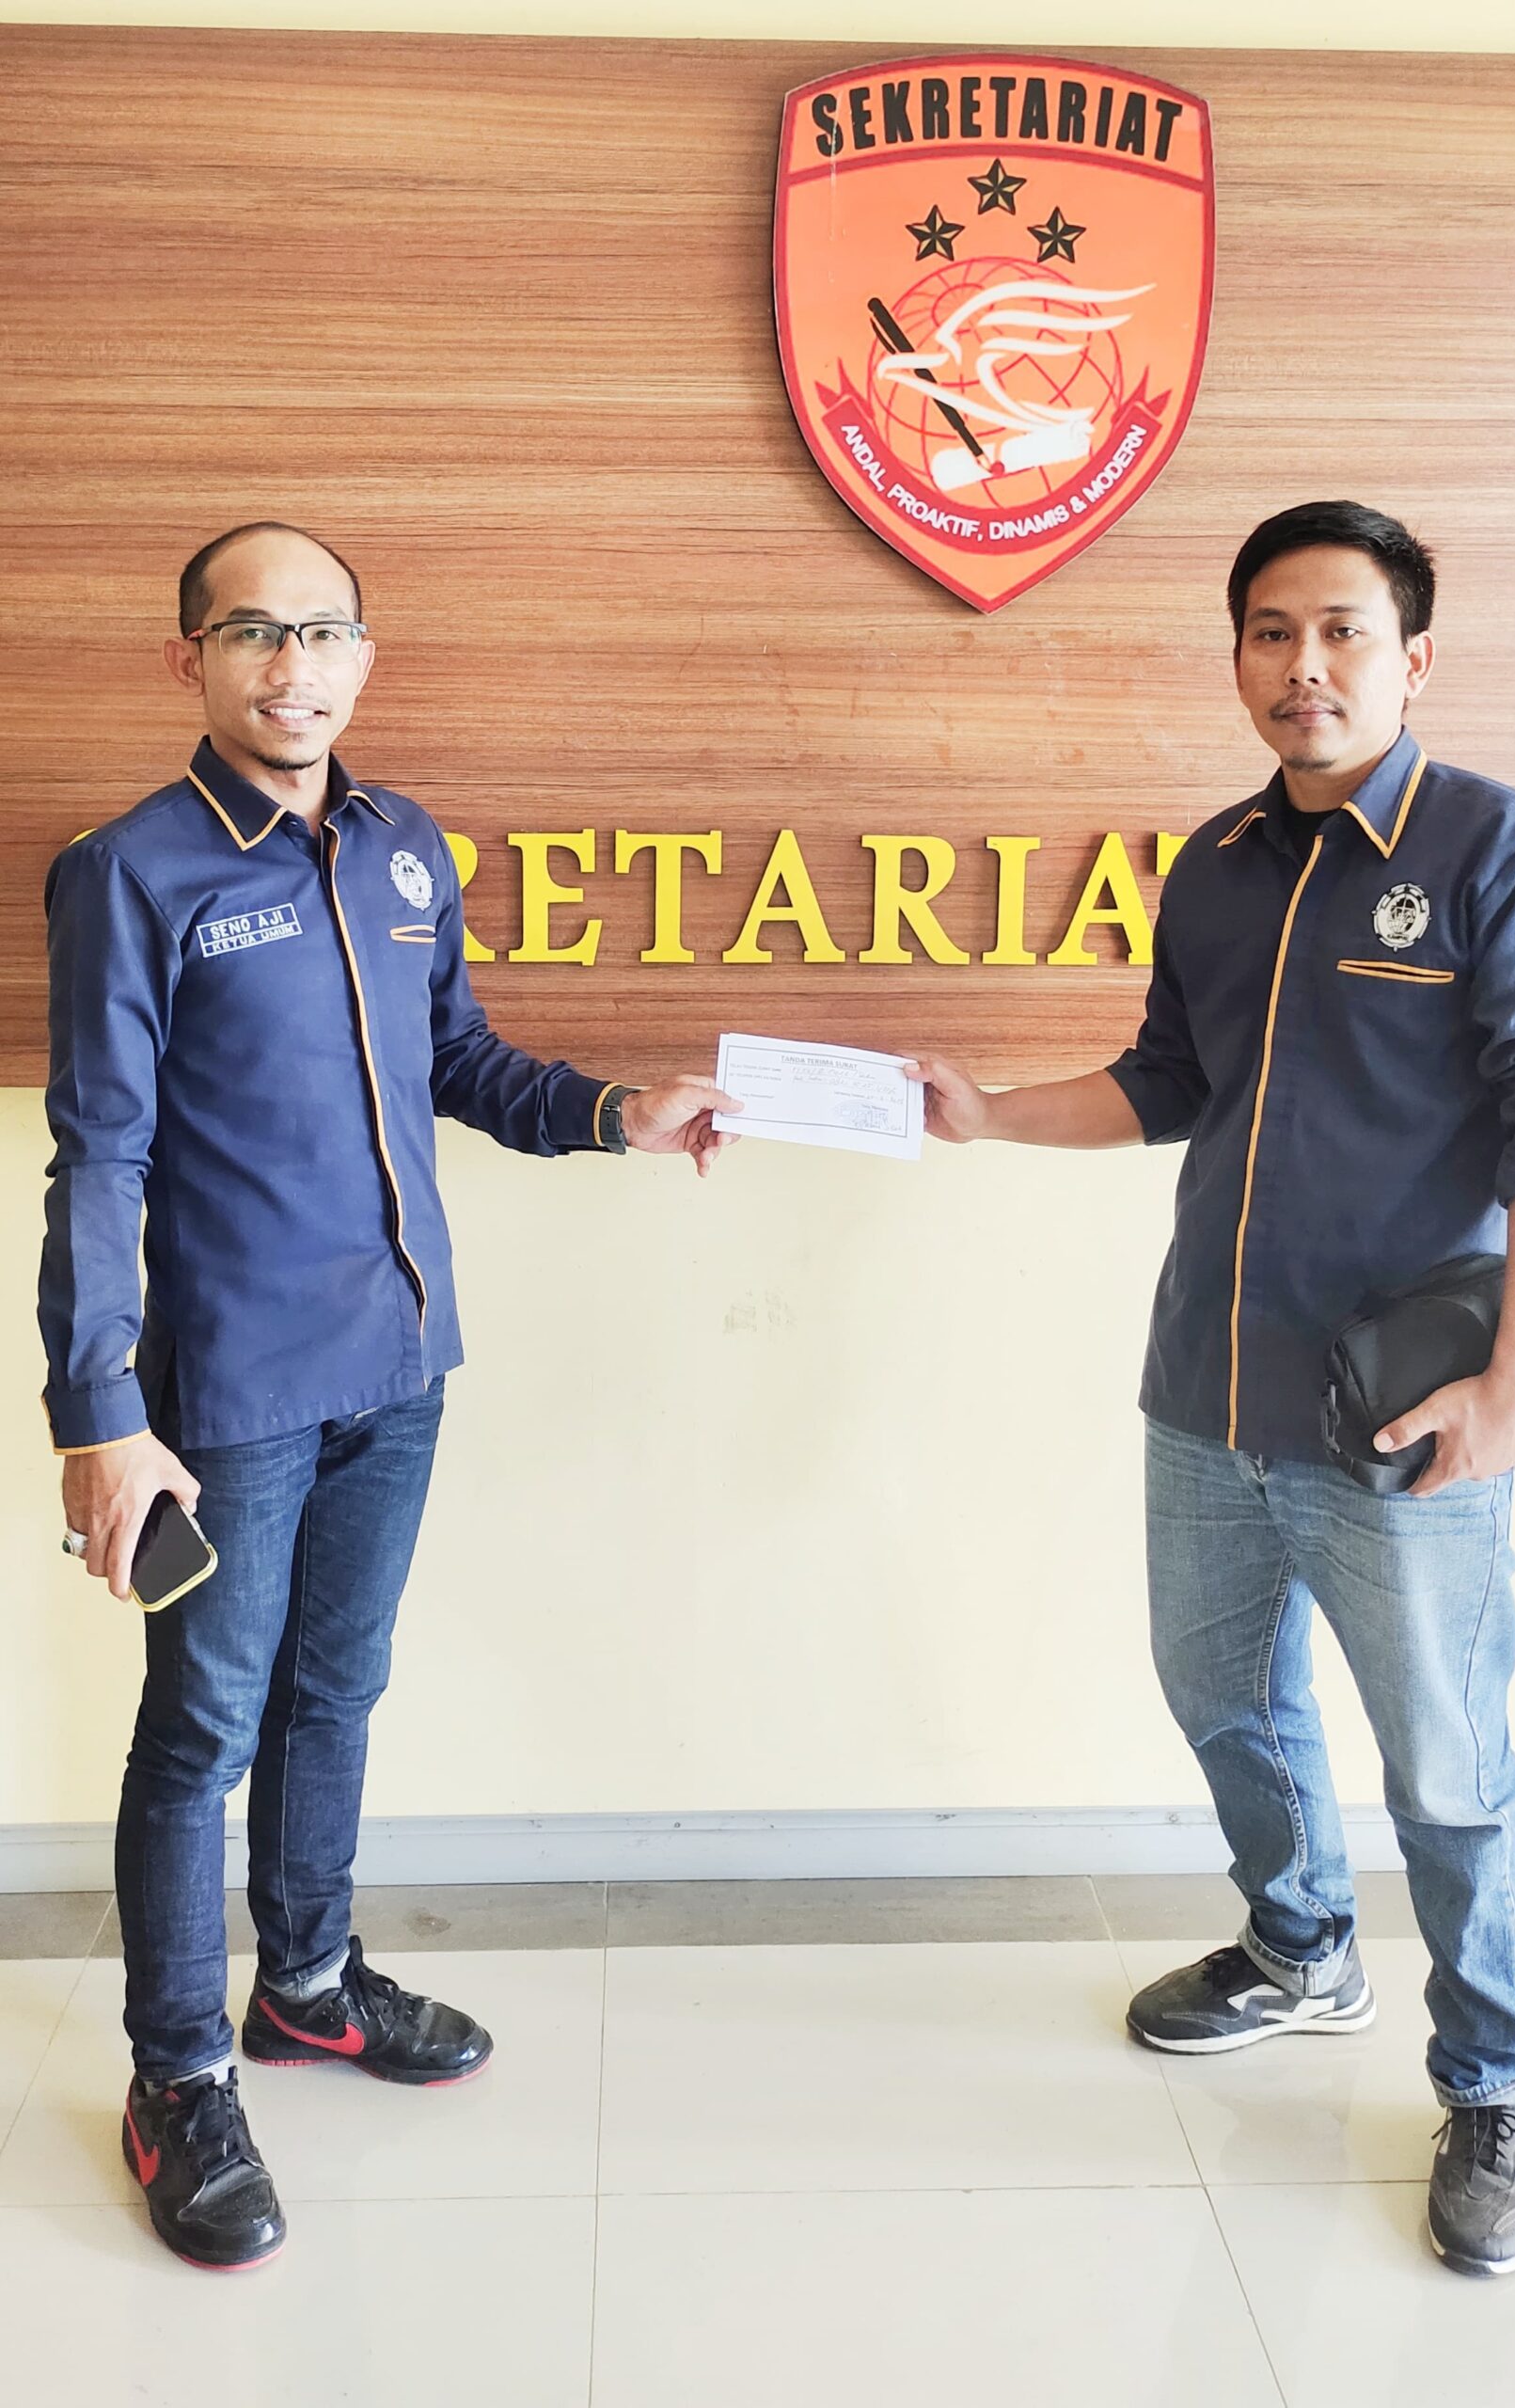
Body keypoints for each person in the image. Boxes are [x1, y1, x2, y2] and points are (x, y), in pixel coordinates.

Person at [907, 499, 1515, 2279]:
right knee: (1221, 1695)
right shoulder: (1221, 864)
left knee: (1447, 1764)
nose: (1304, 667)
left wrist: (1512, 1393)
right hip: (1209, 1387)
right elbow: (1169, 1080)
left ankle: (1500, 2081)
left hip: (1405, 1417)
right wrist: (991, 1117)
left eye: (1342, 632)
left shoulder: (1505, 856)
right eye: (1270, 634)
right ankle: (1301, 1946)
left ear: (1414, 658)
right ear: (1237, 656)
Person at [39, 520, 740, 2273]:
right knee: (202, 1732)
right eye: (252, 632)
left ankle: (309, 1985)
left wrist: (617, 1114)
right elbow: (100, 1157)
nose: (293, 666)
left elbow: (462, 1065)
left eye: (324, 631)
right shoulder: (129, 873)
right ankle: (178, 2077)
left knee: (337, 1691)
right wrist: (98, 1413)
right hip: (230, 1395)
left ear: (365, 654)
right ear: (190, 659)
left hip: (400, 1365)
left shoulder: (403, 845)